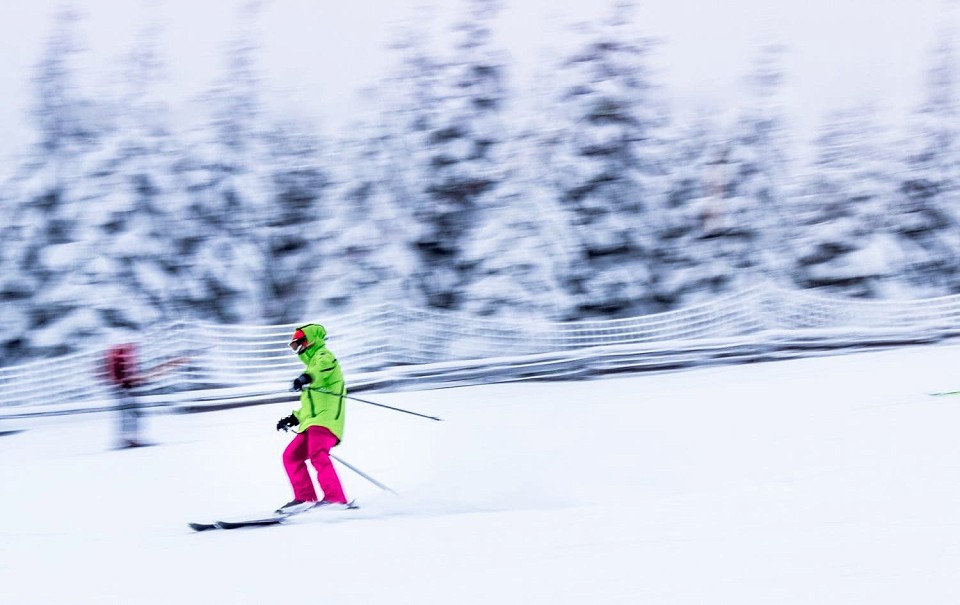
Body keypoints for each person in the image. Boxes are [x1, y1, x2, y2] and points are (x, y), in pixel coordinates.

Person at [275, 323, 350, 514]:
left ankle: (336, 498)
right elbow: (309, 407)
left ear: (310, 340)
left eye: (299, 343)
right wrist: (293, 418)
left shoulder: (325, 356)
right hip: (311, 422)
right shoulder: (311, 364)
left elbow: (320, 370)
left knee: (317, 453)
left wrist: (305, 378)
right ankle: (305, 498)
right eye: (294, 346)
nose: (297, 349)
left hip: (326, 421)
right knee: (291, 456)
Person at [104, 343, 147, 449]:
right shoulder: (121, 353)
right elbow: (123, 372)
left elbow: (132, 371)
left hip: (126, 387)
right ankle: (130, 439)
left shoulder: (124, 352)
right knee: (130, 414)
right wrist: (124, 385)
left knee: (130, 414)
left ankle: (130, 438)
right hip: (125, 388)